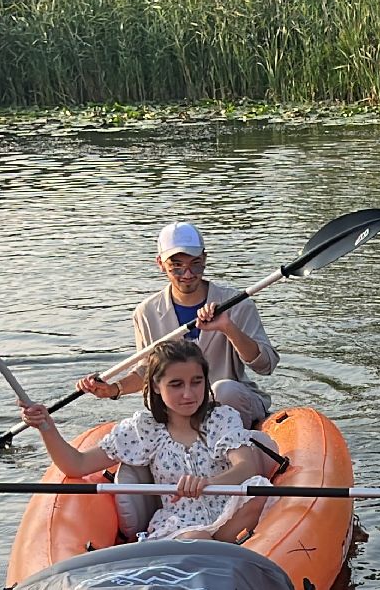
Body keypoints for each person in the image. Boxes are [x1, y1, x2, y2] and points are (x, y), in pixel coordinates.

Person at [23, 339, 273, 543]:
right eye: (176, 385)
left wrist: (207, 482)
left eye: (196, 382)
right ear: (155, 386)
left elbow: (246, 467)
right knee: (197, 537)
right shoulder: (144, 429)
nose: (189, 394)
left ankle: (226, 545)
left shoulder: (221, 417)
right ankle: (218, 550)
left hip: (230, 512)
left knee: (261, 489)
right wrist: (46, 426)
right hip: (181, 524)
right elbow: (76, 464)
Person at [76, 221, 278, 430]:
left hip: (232, 402)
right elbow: (147, 371)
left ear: (205, 259)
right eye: (177, 267)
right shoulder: (146, 313)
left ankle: (235, 447)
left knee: (224, 391)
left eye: (195, 264)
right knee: (156, 401)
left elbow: (266, 365)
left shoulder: (237, 304)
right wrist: (114, 389)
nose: (188, 274)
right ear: (161, 264)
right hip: (178, 407)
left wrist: (228, 328)